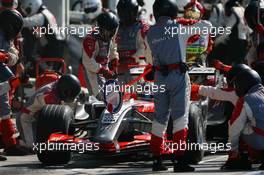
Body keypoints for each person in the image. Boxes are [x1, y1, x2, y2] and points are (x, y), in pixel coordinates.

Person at [145, 0, 213, 172]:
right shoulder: (179, 28)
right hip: (178, 76)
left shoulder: (149, 33)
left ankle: (157, 160)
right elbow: (206, 26)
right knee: (180, 118)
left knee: (159, 118)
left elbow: (148, 59)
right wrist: (187, 21)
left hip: (160, 77)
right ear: (173, 12)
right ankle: (179, 160)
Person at [18, 74, 81, 148]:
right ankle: (14, 142)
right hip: (26, 119)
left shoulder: (58, 87)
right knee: (34, 147)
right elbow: (51, 118)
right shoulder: (48, 94)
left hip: (37, 119)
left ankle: (22, 138)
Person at [221, 69, 264, 170]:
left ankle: (240, 157)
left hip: (261, 141)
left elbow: (234, 128)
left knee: (238, 125)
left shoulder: (246, 100)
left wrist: (232, 150)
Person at [0, 9, 27, 157]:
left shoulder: (7, 36)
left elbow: (13, 55)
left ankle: (10, 146)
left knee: (4, 111)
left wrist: (7, 57)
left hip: (1, 72)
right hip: (2, 72)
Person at [20, 0, 65, 74]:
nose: (27, 12)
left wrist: (15, 19)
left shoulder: (41, 15)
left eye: (28, 9)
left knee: (36, 58)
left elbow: (28, 22)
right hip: (57, 45)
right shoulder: (46, 12)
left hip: (54, 47)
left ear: (32, 4)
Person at [82, 10, 119, 100]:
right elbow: (89, 63)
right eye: (108, 32)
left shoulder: (111, 36)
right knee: (99, 98)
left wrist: (114, 61)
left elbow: (113, 49)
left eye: (112, 32)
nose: (110, 35)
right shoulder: (90, 39)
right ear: (100, 28)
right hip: (92, 72)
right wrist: (104, 71)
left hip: (105, 70)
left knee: (115, 95)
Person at [116, 0, 149, 84]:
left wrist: (133, 58)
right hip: (119, 67)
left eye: (126, 13)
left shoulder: (141, 28)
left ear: (134, 12)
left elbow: (144, 48)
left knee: (136, 87)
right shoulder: (115, 28)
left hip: (136, 65)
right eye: (122, 13)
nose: (124, 16)